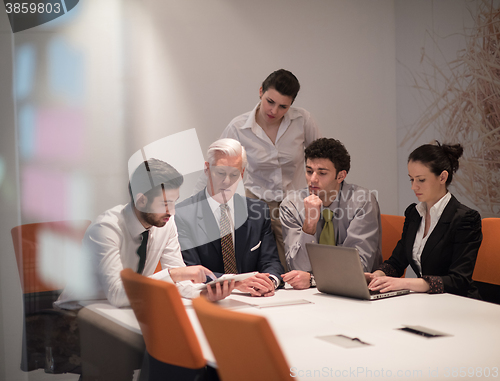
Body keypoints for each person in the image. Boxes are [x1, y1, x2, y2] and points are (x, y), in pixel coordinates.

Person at [55, 159, 233, 309]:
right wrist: (173, 274)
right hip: (79, 313)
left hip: (127, 308)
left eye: (174, 202)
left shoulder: (166, 222)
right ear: (141, 200)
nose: (172, 212)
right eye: (165, 203)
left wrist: (204, 293)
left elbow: (180, 282)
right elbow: (117, 294)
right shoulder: (106, 229)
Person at [218, 69, 322, 272]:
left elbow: (321, 158)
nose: (274, 110)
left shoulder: (302, 120)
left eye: (283, 106)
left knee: (294, 264)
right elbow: (218, 165)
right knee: (254, 263)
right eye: (270, 101)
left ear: (291, 104)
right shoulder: (238, 127)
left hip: (293, 202)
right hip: (255, 201)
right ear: (260, 92)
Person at [367, 142, 482, 297]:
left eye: (420, 180)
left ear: (442, 177)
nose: (414, 187)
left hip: (458, 304)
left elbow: (458, 280)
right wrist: (377, 275)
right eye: (411, 179)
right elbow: (397, 261)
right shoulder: (414, 213)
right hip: (427, 301)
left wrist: (404, 283)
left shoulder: (465, 219)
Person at [175, 138, 285, 297]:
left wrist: (270, 282)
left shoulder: (258, 211)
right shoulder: (183, 214)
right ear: (207, 169)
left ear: (242, 173)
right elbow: (190, 271)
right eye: (220, 173)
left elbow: (271, 262)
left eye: (234, 174)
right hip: (207, 301)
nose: (227, 181)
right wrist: (236, 283)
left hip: (256, 301)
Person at [280, 138, 383, 289]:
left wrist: (312, 280)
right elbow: (297, 268)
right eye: (309, 171)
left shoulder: (362, 202)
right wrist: (309, 224)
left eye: (322, 173)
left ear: (341, 176)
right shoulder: (291, 205)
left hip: (358, 291)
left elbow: (359, 268)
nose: (312, 179)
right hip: (308, 296)